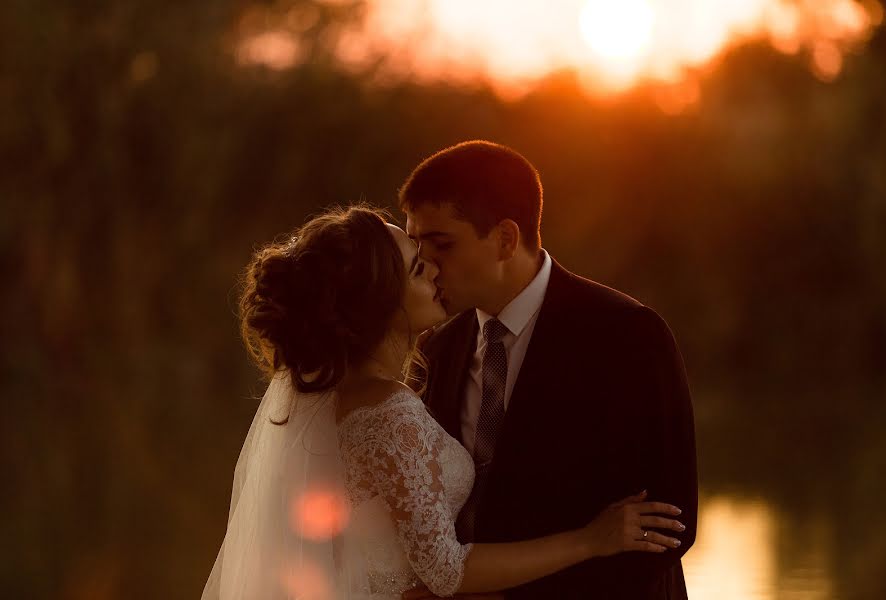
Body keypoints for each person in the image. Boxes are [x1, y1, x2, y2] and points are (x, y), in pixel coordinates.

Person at [202, 206, 685, 600]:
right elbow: (446, 572)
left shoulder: (338, 398)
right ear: (381, 303)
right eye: (417, 267)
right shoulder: (389, 412)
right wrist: (590, 540)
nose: (434, 269)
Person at [400, 141, 698, 599]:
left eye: (442, 245)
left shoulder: (629, 335)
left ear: (504, 238)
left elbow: (667, 525)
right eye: (417, 247)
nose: (429, 267)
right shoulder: (436, 349)